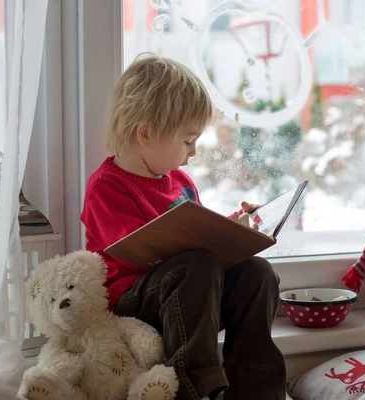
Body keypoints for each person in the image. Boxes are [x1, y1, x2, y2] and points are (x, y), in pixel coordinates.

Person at [80, 53, 286, 400]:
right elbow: (132, 254)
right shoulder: (107, 186)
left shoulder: (179, 181)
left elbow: (198, 234)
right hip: (133, 301)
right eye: (187, 141)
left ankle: (257, 389)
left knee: (257, 272)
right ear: (145, 134)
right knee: (195, 265)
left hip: (190, 290)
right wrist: (200, 247)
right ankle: (195, 389)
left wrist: (236, 229)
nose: (193, 152)